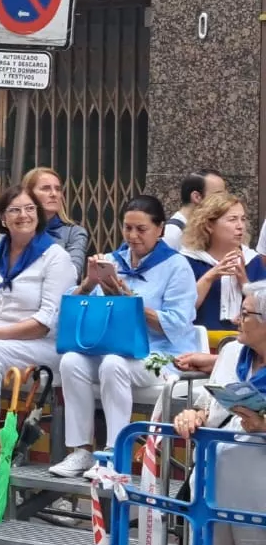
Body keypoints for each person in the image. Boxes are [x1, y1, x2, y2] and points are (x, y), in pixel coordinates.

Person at [51, 195, 199, 477]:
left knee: (113, 364)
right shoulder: (111, 260)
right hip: (112, 348)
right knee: (71, 361)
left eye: (141, 229)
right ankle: (81, 451)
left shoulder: (177, 266)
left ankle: (112, 455)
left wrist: (130, 301)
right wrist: (89, 284)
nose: (132, 236)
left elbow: (178, 325)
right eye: (127, 228)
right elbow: (82, 310)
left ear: (160, 230)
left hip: (160, 356)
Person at [0, 185, 75, 469]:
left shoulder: (56, 257)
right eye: (15, 210)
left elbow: (45, 323)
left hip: (41, 347)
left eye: (30, 209)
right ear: (2, 217)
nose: (24, 215)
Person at [173, 279, 266, 545]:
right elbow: (208, 407)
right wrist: (193, 416)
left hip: (257, 500)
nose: (237, 320)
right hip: (211, 490)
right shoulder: (230, 354)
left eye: (246, 313)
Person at [181, 192, 266, 332]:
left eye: (243, 219)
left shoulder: (252, 260)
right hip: (197, 342)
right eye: (232, 219)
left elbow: (263, 311)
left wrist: (244, 282)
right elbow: (182, 311)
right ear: (209, 225)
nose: (240, 226)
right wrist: (210, 276)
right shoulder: (188, 260)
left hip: (242, 343)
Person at [22, 167, 89, 279]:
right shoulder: (12, 229)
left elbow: (73, 274)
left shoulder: (74, 233)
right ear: (28, 194)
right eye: (45, 188)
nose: (54, 194)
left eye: (58, 189)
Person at [166, 169, 227, 249]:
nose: (225, 201)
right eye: (218, 195)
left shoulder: (203, 229)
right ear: (197, 197)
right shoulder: (172, 234)